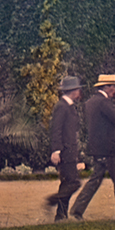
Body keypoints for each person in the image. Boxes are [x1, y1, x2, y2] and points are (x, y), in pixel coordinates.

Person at [70, 74, 115, 221]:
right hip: (109, 149)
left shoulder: (91, 102)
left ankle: (76, 210)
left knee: (95, 180)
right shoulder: (104, 103)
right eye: (114, 86)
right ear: (107, 87)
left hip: (98, 148)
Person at [45, 76, 83, 221]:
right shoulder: (61, 107)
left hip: (70, 152)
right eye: (77, 89)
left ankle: (61, 215)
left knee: (67, 183)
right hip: (65, 153)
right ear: (71, 91)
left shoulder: (70, 107)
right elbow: (56, 129)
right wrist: (56, 150)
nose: (79, 92)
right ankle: (53, 201)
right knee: (74, 183)